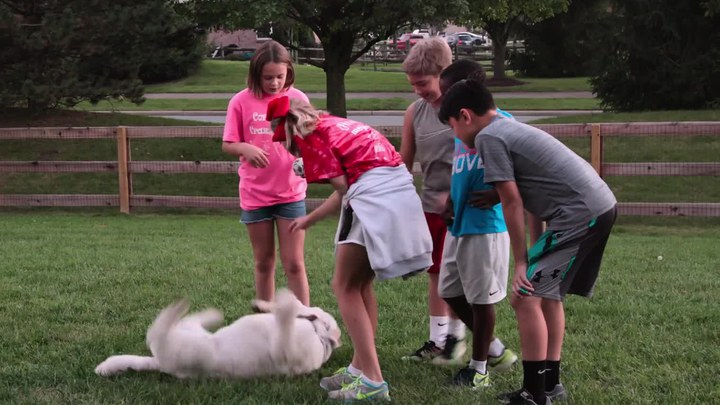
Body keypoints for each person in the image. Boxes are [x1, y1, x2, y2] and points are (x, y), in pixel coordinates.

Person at [439, 80, 617, 405]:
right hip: (597, 206)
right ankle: (550, 385)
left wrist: (522, 262)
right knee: (547, 296)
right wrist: (536, 252)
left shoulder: (488, 137)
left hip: (580, 214)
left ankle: (533, 395)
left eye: (452, 126)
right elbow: (534, 193)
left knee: (525, 297)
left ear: (464, 116)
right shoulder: (508, 128)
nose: (456, 136)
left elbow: (511, 201)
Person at [266, 96, 433, 402]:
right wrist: (311, 218)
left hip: (372, 199)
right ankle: (360, 367)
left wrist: (311, 172)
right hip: (394, 192)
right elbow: (352, 182)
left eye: (286, 141)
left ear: (289, 127)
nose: (290, 149)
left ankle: (372, 380)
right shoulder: (337, 124)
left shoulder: (312, 136)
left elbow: (345, 187)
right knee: (360, 285)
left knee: (343, 285)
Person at [435, 59, 518, 388]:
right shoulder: (462, 126)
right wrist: (452, 201)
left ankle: (479, 369)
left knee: (482, 300)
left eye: (448, 93)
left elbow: (520, 171)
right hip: (461, 223)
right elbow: (462, 167)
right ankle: (496, 349)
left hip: (487, 226)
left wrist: (497, 197)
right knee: (450, 292)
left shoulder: (502, 124)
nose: (443, 100)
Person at [221, 40, 310, 306]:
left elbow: (312, 139)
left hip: (291, 193)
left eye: (280, 77)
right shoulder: (240, 101)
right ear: (256, 74)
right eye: (267, 77)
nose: (274, 83)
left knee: (294, 263)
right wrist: (245, 148)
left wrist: (303, 152)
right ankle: (265, 326)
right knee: (263, 262)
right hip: (255, 194)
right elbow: (228, 144)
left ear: (289, 73)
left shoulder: (298, 98)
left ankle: (306, 324)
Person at [399, 36, 466, 364]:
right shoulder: (415, 112)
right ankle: (437, 340)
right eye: (412, 84)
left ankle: (458, 337)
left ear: (444, 73)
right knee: (436, 273)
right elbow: (404, 162)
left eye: (423, 83)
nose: (418, 90)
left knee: (461, 276)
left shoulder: (464, 109)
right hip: (431, 208)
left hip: (465, 209)